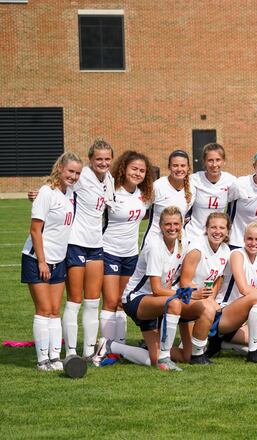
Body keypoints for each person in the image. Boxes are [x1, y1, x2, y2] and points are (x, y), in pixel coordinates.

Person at [108, 207, 209, 371]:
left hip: (158, 301)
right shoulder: (155, 246)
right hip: (136, 298)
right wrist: (188, 294)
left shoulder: (182, 244)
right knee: (175, 303)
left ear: (182, 225)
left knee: (172, 357)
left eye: (176, 224)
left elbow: (169, 282)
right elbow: (156, 289)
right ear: (161, 226)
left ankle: (112, 346)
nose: (172, 228)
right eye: (168, 224)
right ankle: (165, 357)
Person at [22, 152, 82, 370]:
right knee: (44, 309)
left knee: (55, 310)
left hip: (59, 259)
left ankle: (55, 358)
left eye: (77, 173)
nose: (73, 176)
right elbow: (35, 231)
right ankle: (42, 360)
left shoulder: (71, 193)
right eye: (70, 171)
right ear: (60, 169)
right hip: (37, 259)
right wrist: (42, 261)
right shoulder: (47, 192)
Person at [63, 139, 114, 362]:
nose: (103, 163)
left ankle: (88, 352)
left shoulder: (109, 179)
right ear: (90, 159)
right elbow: (59, 185)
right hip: (75, 242)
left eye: (107, 159)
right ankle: (71, 353)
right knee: (75, 300)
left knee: (93, 300)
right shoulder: (82, 175)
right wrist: (37, 193)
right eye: (98, 159)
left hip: (96, 244)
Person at [99, 151, 154, 357]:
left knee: (123, 301)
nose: (137, 173)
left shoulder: (144, 195)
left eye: (142, 170)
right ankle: (104, 347)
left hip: (131, 254)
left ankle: (119, 348)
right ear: (124, 169)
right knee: (111, 301)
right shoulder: (110, 191)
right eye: (134, 169)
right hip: (109, 251)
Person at [211, 221, 257, 363]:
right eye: (249, 238)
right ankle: (253, 353)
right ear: (243, 239)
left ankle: (222, 344)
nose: (253, 243)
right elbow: (244, 289)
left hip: (240, 320)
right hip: (222, 314)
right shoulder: (237, 254)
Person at [177, 212, 233, 364]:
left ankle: (210, 344)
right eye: (213, 227)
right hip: (184, 297)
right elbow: (184, 282)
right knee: (209, 309)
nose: (217, 231)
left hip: (200, 299)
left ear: (227, 231)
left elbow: (218, 278)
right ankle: (198, 355)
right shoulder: (197, 249)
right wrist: (204, 299)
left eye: (222, 228)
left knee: (186, 355)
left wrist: (211, 298)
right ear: (206, 229)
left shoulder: (225, 250)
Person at [183, 143, 237, 246]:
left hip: (216, 236)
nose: (214, 164)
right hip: (193, 235)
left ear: (224, 161)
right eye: (210, 160)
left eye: (218, 160)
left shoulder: (231, 181)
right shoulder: (194, 179)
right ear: (204, 161)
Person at [141, 150, 193, 249]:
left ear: (188, 167)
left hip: (178, 243)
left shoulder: (192, 189)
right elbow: (141, 210)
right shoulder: (158, 186)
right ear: (169, 167)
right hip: (154, 242)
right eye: (175, 165)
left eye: (183, 166)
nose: (179, 169)